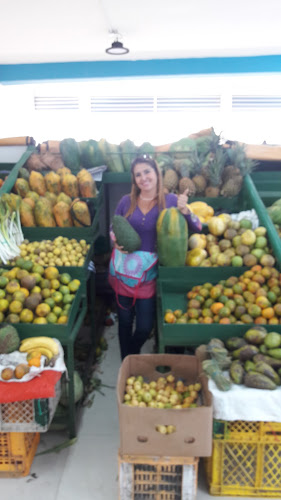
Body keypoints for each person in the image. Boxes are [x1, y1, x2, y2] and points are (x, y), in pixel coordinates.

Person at [108, 155, 202, 360]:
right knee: (124, 320)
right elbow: (113, 227)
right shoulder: (126, 202)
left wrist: (185, 209)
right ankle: (128, 362)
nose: (144, 178)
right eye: (138, 175)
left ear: (157, 174)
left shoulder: (171, 201)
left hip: (148, 274)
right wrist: (114, 240)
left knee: (144, 326)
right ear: (134, 180)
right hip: (124, 271)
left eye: (147, 172)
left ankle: (131, 354)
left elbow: (198, 226)